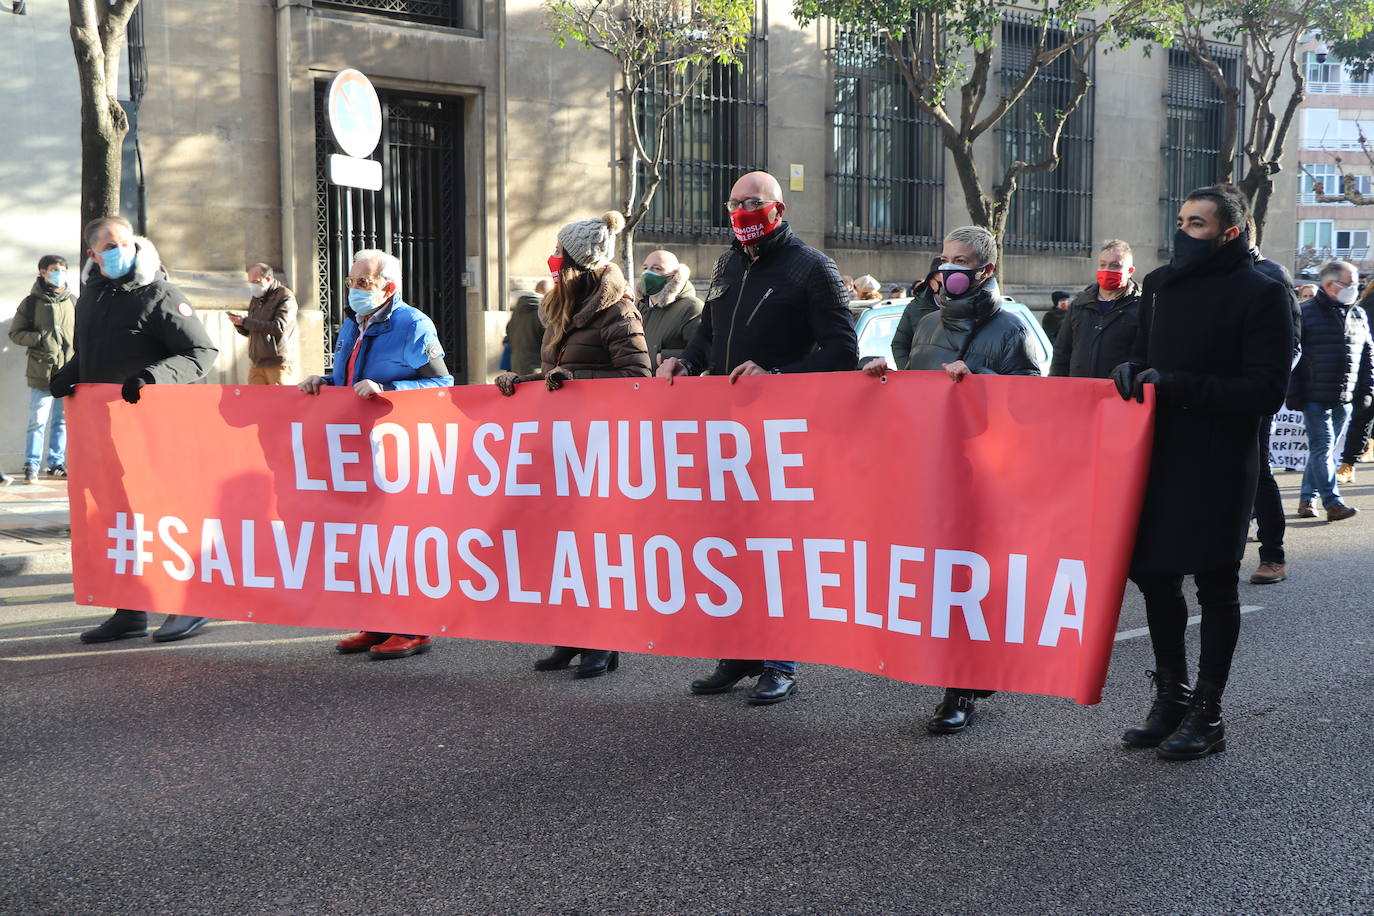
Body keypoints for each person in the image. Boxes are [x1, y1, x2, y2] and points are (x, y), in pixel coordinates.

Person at [658, 170, 857, 705]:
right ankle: (739, 653)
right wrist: (686, 361)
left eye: (754, 202)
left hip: (784, 437)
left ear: (779, 209)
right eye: (734, 203)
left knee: (777, 550)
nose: (743, 211)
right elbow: (709, 333)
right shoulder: (727, 264)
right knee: (731, 548)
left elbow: (841, 352)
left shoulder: (813, 269)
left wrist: (778, 376)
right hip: (726, 433)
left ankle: (780, 662)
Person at [1110, 185, 1292, 761]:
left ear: (1230, 233)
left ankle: (1207, 713)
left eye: (1198, 224)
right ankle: (1170, 698)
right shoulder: (1159, 287)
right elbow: (1146, 353)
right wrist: (1130, 369)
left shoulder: (1263, 292)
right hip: (1157, 454)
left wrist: (1180, 387)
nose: (1182, 232)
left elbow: (1267, 390)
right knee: (1155, 576)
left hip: (1217, 454)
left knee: (1214, 583)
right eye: (1181, 220)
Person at [861, 226, 1041, 734]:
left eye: (959, 261)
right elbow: (913, 392)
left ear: (985, 271)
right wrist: (880, 376)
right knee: (941, 579)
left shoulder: (1011, 328)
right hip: (932, 467)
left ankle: (960, 687)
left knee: (967, 579)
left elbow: (1031, 406)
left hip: (981, 473)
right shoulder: (926, 325)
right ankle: (967, 673)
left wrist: (983, 387)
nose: (946, 270)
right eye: (943, 259)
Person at [495, 211, 651, 679]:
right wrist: (519, 383)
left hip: (601, 452)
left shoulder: (618, 309)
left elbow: (637, 378)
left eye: (560, 254)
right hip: (565, 450)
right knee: (564, 548)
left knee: (598, 550)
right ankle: (571, 635)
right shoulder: (563, 306)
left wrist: (574, 379)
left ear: (578, 262)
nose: (554, 262)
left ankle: (605, 643)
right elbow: (554, 378)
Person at [51, 216, 220, 644]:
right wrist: (69, 373)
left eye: (125, 242)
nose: (119, 249)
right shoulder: (92, 296)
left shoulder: (159, 293)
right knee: (121, 522)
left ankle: (190, 606)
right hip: (107, 435)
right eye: (109, 245)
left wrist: (151, 377)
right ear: (93, 255)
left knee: (163, 520)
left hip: (153, 435)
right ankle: (130, 610)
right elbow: (97, 353)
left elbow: (202, 351)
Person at [299, 248, 454, 660]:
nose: (354, 289)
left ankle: (413, 627)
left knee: (398, 538)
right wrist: (325, 381)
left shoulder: (414, 324)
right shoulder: (353, 323)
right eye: (351, 281)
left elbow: (443, 385)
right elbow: (348, 377)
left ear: (389, 287)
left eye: (363, 283)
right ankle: (376, 621)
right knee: (365, 538)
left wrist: (390, 392)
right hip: (355, 450)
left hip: (396, 451)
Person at [1288, 259, 1372, 522]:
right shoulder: (1305, 312)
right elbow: (1293, 356)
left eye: (1357, 282)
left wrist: (1367, 390)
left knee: (1321, 450)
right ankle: (1333, 503)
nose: (1355, 288)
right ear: (1329, 285)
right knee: (1323, 447)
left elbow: (1368, 354)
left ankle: (1306, 499)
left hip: (1344, 398)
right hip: (1314, 397)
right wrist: (1294, 393)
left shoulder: (1357, 314)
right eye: (1350, 283)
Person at [10, 255, 75, 482]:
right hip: (41, 371)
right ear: (42, 272)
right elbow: (16, 334)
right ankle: (32, 464)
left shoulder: (73, 301)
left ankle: (56, 464)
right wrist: (39, 337)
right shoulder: (31, 303)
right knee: (37, 421)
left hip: (66, 372)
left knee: (62, 421)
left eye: (63, 269)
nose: (59, 273)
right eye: (54, 269)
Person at [1048, 241, 1141, 380]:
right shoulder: (1079, 305)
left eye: (1115, 265)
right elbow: (1062, 352)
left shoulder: (1141, 306)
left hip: (1119, 393)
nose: (1107, 270)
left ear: (1130, 271)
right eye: (1103, 265)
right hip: (1079, 390)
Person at [228, 262, 298, 385]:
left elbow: (279, 327)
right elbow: (252, 330)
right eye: (250, 282)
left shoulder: (285, 296)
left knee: (280, 402)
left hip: (277, 363)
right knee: (256, 402)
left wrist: (246, 321)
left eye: (255, 282)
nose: (252, 286)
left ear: (268, 279)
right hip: (256, 363)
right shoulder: (256, 298)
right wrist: (240, 324)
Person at [636, 249, 702, 370]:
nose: (647, 273)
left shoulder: (691, 308)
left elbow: (705, 352)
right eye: (645, 268)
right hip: (638, 384)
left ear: (674, 275)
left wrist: (663, 357)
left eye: (657, 268)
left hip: (669, 385)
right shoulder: (638, 307)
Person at [889, 256, 942, 369]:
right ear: (932, 283)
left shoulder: (967, 306)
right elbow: (899, 344)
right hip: (922, 379)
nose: (950, 286)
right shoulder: (915, 308)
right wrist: (908, 374)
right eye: (943, 282)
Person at [506, 278, 550, 376]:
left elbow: (508, 336)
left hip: (516, 366)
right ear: (547, 293)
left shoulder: (517, 312)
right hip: (537, 367)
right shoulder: (543, 312)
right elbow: (550, 340)